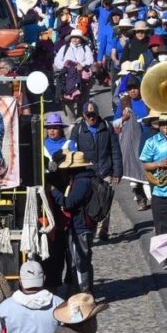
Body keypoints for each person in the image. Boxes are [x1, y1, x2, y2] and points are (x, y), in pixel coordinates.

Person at [70, 101, 122, 240]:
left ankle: (103, 230)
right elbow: (71, 149)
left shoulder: (106, 127)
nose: (91, 118)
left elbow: (115, 149)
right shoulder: (78, 130)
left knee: (105, 200)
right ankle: (90, 227)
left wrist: (117, 171)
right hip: (87, 172)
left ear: (98, 114)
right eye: (88, 116)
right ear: (83, 115)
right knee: (89, 201)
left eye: (93, 115)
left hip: (105, 170)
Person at [49, 150, 98, 294]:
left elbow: (69, 202)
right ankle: (79, 290)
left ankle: (85, 293)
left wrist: (53, 190)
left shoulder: (82, 182)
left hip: (81, 227)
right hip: (80, 225)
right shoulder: (82, 179)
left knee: (80, 262)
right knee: (79, 260)